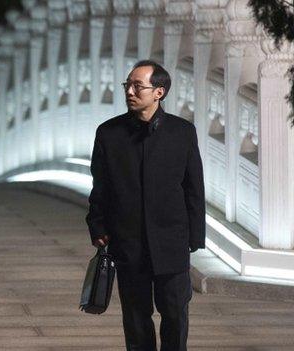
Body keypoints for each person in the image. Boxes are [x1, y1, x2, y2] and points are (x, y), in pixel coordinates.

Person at [86, 60, 205, 351]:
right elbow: (100, 186)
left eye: (138, 85)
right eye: (128, 84)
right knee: (136, 320)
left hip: (171, 243)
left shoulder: (182, 132)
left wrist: (195, 237)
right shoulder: (108, 133)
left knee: (175, 315)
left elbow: (193, 189)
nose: (130, 91)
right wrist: (97, 225)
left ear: (159, 92)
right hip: (128, 243)